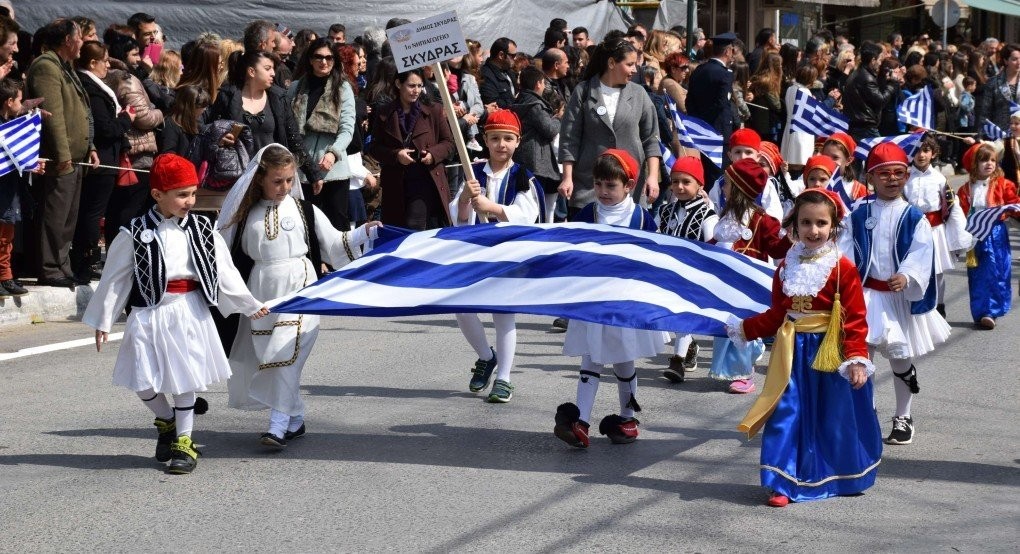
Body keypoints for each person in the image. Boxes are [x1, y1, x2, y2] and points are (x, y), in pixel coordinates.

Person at [83, 153, 269, 474]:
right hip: (148, 313)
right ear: (157, 195)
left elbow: (225, 271)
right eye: (182, 194)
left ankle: (184, 442)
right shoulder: (136, 232)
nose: (190, 201)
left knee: (184, 378)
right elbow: (115, 279)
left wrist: (249, 304)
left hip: (188, 311)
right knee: (142, 380)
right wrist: (103, 319)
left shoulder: (203, 229)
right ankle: (167, 422)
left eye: (193, 193)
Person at [217, 144, 379, 447]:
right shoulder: (245, 215)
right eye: (278, 181)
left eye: (290, 180)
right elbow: (223, 256)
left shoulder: (305, 210)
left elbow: (335, 243)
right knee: (270, 358)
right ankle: (295, 417)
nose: (285, 187)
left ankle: (277, 426)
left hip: (301, 288)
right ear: (261, 179)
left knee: (284, 356)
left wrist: (364, 232)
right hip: (262, 292)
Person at [734, 188, 880, 508]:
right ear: (794, 225)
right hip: (791, 353)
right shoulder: (786, 266)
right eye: (806, 222)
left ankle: (840, 476)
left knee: (833, 417)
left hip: (829, 353)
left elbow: (855, 319)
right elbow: (777, 313)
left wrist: (856, 358)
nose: (813, 230)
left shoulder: (843, 269)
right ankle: (781, 481)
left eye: (821, 223)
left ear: (834, 226)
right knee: (787, 413)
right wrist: (746, 329)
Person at [838, 142, 951, 446]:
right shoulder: (858, 214)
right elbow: (845, 250)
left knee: (900, 359)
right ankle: (866, 413)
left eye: (899, 173)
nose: (892, 179)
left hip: (897, 297)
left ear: (906, 176)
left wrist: (907, 275)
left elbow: (921, 251)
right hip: (865, 296)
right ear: (871, 178)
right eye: (884, 174)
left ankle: (904, 415)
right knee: (862, 355)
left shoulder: (914, 217)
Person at [553, 149, 660, 448]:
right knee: (591, 358)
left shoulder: (640, 218)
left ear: (628, 185)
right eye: (598, 184)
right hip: (593, 299)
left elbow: (656, 256)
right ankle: (582, 422)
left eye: (610, 186)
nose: (602, 191)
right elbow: (572, 249)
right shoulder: (589, 213)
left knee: (624, 361)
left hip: (625, 302)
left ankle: (628, 418)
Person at [449, 110, 545, 403]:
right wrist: (465, 198)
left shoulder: (522, 176)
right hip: (475, 252)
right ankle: (485, 356)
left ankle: (503, 377)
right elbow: (457, 216)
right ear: (485, 141)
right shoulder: (473, 172)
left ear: (517, 142)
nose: (501, 144)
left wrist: (492, 206)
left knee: (503, 315)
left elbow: (529, 215)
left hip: (508, 254)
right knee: (463, 308)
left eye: (507, 138)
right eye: (495, 138)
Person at [709, 158, 792, 394]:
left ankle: (746, 373)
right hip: (725, 280)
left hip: (747, 282)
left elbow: (776, 249)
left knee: (745, 324)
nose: (723, 187)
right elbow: (715, 244)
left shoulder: (762, 220)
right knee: (728, 325)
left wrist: (789, 238)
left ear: (738, 189)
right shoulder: (726, 217)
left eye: (727, 184)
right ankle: (732, 369)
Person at [26, 19, 99, 288]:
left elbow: (81, 111)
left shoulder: (64, 66)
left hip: (76, 156)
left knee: (68, 216)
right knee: (55, 215)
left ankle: (62, 266)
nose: (83, 43)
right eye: (79, 37)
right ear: (68, 40)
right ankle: (50, 268)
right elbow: (52, 116)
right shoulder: (46, 66)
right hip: (61, 158)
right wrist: (62, 154)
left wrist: (89, 146)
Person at [558, 38, 661, 217]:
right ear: (612, 63)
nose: (635, 70)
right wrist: (567, 177)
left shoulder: (639, 94)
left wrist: (653, 176)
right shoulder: (583, 91)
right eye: (629, 64)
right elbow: (569, 138)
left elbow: (651, 139)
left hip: (630, 189)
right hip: (589, 188)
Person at [71, 41, 133, 284]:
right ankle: (87, 260)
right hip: (102, 159)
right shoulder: (91, 89)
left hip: (109, 156)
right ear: (92, 63)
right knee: (93, 212)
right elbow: (105, 128)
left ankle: (87, 258)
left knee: (94, 211)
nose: (108, 65)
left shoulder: (96, 86)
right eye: (104, 60)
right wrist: (127, 120)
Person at [369, 68, 454, 230]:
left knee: (414, 226)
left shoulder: (434, 110)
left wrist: (432, 154)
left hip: (425, 179)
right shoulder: (384, 112)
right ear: (398, 84)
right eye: (411, 86)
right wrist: (396, 155)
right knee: (397, 231)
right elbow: (374, 148)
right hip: (395, 183)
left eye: (420, 86)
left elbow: (449, 143)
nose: (416, 91)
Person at [658, 156, 717, 382]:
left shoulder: (708, 215)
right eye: (675, 181)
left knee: (682, 315)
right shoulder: (665, 211)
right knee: (670, 316)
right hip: (667, 272)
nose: (679, 187)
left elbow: (713, 249)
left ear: (700, 185)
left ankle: (677, 361)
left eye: (686, 181)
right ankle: (690, 346)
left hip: (693, 276)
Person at [287, 38, 356, 231]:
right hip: (301, 169)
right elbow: (288, 128)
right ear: (310, 59)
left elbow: (347, 128)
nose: (323, 62)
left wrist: (334, 152)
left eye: (329, 57)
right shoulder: (295, 88)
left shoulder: (342, 87)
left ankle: (343, 263)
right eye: (318, 57)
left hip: (333, 169)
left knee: (337, 226)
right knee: (306, 227)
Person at [904, 135, 973, 317]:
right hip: (912, 230)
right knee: (913, 268)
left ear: (933, 154)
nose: (921, 155)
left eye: (926, 151)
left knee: (937, 271)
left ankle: (939, 305)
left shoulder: (939, 179)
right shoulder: (905, 176)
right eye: (917, 150)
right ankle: (916, 304)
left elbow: (951, 206)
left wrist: (958, 235)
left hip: (934, 231)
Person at [957, 142, 1020, 330]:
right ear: (973, 164)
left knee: (998, 270)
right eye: (983, 160)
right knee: (977, 274)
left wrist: (1013, 208)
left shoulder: (1003, 184)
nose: (989, 164)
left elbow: (1014, 203)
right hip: (975, 236)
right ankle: (982, 311)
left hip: (996, 233)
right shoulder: (965, 189)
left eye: (992, 160)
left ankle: (993, 309)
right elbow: (959, 213)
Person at [0, 78, 42, 297]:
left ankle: (5, 277)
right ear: (8, 101)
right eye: (19, 99)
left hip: (10, 186)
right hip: (2, 189)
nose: (21, 103)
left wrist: (31, 164)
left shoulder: (9, 125)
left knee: (8, 233)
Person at [513, 65, 561, 223]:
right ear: (539, 84)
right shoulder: (535, 105)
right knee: (537, 207)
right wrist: (559, 118)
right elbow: (549, 129)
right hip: (538, 162)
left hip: (523, 158)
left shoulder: (519, 101)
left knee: (527, 204)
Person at [843, 41, 902, 142]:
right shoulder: (866, 78)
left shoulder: (861, 73)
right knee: (878, 155)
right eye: (879, 60)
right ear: (873, 60)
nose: (880, 63)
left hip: (859, 126)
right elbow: (881, 100)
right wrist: (892, 84)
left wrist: (883, 78)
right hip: (865, 127)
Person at [978, 43, 1020, 138]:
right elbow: (985, 113)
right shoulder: (993, 82)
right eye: (1014, 59)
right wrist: (980, 137)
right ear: (1006, 61)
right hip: (1000, 136)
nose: (1019, 62)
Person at [157, 84, 209, 155]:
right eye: (203, 106)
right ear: (192, 107)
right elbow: (168, 156)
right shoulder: (170, 126)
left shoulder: (195, 123)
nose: (205, 109)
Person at [821, 132, 869, 199]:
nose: (830, 161)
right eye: (826, 156)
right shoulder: (813, 182)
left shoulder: (859, 191)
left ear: (848, 160)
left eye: (835, 157)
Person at [748, 53, 783, 143]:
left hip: (756, 121)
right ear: (776, 66)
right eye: (780, 65)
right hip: (766, 124)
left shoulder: (756, 77)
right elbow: (776, 105)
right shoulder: (768, 82)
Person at [479, 37, 518, 110]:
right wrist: (515, 101)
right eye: (513, 56)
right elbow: (493, 103)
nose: (515, 58)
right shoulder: (485, 75)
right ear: (501, 55)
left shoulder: (509, 72)